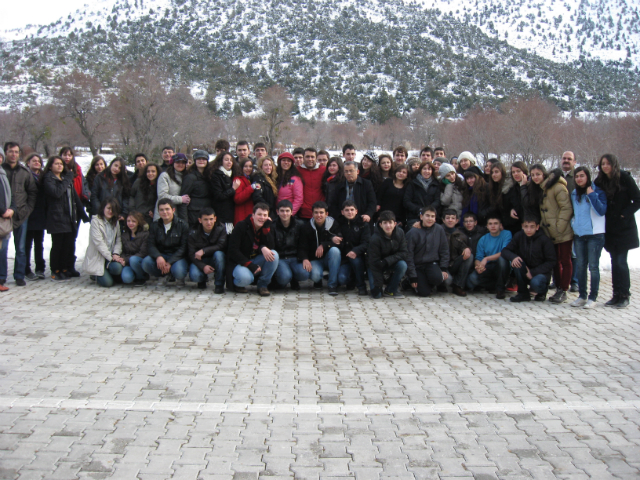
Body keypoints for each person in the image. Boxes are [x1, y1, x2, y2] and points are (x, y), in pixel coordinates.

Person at [521, 165, 573, 304]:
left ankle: (563, 289)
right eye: (533, 174)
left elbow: (566, 207)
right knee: (555, 261)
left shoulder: (557, 187)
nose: (535, 177)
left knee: (565, 261)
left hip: (561, 232)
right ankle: (558, 287)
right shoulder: (542, 188)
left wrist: (559, 226)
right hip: (550, 233)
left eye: (538, 174)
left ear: (544, 174)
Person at [594, 154, 640, 309]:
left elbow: (637, 199)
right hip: (610, 227)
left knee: (621, 261)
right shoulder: (600, 181)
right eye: (603, 164)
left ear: (614, 164)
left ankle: (624, 295)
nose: (605, 166)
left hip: (624, 227)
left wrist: (624, 214)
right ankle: (616, 294)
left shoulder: (624, 178)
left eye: (608, 164)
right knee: (615, 261)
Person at [42, 155, 86, 281]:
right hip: (56, 217)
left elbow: (75, 198)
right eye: (56, 164)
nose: (60, 166)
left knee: (67, 244)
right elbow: (56, 193)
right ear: (50, 166)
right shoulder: (49, 179)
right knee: (58, 245)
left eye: (61, 164)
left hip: (69, 217)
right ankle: (55, 270)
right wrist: (67, 179)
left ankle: (64, 268)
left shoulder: (65, 179)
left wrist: (83, 214)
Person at [570, 166, 607, 308]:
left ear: (588, 177)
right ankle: (582, 295)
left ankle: (593, 297)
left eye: (582, 176)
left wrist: (592, 195)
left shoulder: (597, 191)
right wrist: (573, 224)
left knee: (593, 267)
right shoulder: (574, 193)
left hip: (594, 235)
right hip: (579, 234)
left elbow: (601, 211)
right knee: (580, 266)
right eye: (577, 176)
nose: (579, 179)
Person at [2, 142, 37, 286]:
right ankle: (2, 275)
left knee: (21, 248)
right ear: (5, 153)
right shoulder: (1, 170)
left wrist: (27, 210)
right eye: (11, 151)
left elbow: (32, 192)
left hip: (21, 215)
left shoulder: (24, 172)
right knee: (2, 248)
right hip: (2, 217)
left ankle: (19, 275)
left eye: (16, 152)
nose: (14, 154)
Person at [227, 202, 279, 296]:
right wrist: (249, 265)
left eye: (265, 215)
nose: (262, 218)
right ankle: (237, 284)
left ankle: (262, 285)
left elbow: (271, 246)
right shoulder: (241, 226)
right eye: (259, 214)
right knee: (246, 279)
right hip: (241, 262)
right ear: (253, 215)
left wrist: (266, 230)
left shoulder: (267, 226)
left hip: (256, 259)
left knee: (274, 254)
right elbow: (232, 250)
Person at [501, 217, 556, 302]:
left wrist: (533, 272)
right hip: (524, 269)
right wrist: (513, 257)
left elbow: (551, 261)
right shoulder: (519, 236)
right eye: (526, 226)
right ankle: (523, 294)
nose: (528, 229)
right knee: (517, 262)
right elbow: (505, 251)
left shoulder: (544, 240)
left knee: (536, 283)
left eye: (532, 226)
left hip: (541, 273)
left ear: (537, 227)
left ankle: (542, 293)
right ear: (522, 226)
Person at [143, 198, 190, 283]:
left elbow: (184, 247)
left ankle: (175, 275)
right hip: (162, 255)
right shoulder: (154, 226)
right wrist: (158, 256)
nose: (164, 212)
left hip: (177, 257)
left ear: (173, 210)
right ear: (158, 211)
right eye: (161, 210)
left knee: (179, 272)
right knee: (146, 262)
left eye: (167, 209)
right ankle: (163, 275)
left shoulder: (183, 225)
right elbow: (151, 244)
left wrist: (170, 262)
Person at [406, 206, 449, 297]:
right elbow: (408, 255)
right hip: (417, 266)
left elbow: (444, 250)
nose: (430, 219)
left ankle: (424, 283)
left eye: (432, 216)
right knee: (424, 293)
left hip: (431, 263)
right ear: (421, 217)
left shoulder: (439, 230)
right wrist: (413, 276)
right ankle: (408, 281)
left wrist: (443, 268)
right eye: (427, 216)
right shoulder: (413, 232)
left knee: (439, 278)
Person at [466, 215, 512, 299]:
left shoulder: (507, 234)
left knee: (502, 260)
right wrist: (478, 266)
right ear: (487, 226)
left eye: (496, 223)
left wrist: (486, 258)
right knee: (471, 279)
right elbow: (478, 257)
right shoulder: (483, 239)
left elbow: (504, 252)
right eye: (490, 224)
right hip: (489, 267)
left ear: (500, 225)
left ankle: (500, 289)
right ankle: (493, 285)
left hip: (501, 266)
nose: (493, 226)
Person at [300, 201, 341, 295]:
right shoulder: (306, 227)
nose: (319, 215)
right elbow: (302, 246)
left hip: (330, 258)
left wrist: (324, 245)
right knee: (315, 276)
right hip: (314, 259)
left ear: (327, 214)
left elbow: (340, 243)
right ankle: (318, 281)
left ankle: (332, 285)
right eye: (316, 212)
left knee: (335, 251)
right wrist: (305, 258)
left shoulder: (334, 225)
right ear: (312, 214)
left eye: (321, 212)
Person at [82, 198, 124, 288]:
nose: (110, 211)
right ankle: (96, 274)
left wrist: (116, 254)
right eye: (108, 208)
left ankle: (107, 272)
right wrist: (111, 257)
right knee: (108, 283)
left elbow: (118, 239)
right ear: (103, 208)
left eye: (113, 209)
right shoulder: (95, 221)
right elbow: (99, 243)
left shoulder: (115, 222)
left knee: (117, 268)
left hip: (110, 257)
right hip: (99, 257)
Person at [367, 210, 408, 299]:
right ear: (380, 224)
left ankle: (390, 290)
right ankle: (380, 286)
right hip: (375, 265)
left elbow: (404, 252)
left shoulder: (400, 233)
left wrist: (386, 261)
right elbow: (373, 262)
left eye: (390, 222)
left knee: (402, 265)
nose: (388, 226)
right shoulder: (375, 239)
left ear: (395, 224)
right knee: (377, 295)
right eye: (385, 223)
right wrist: (378, 285)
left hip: (389, 262)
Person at [334, 200, 371, 296]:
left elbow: (366, 243)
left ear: (356, 211)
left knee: (356, 261)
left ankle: (361, 286)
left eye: (352, 210)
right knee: (342, 279)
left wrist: (355, 251)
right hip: (344, 258)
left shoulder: (363, 224)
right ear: (342, 212)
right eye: (347, 210)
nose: (349, 212)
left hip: (359, 255)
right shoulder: (338, 223)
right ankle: (351, 280)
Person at [188, 207, 227, 292]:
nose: (209, 222)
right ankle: (202, 280)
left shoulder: (221, 228)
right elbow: (191, 254)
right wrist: (203, 266)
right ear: (200, 220)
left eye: (211, 219)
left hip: (215, 258)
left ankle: (219, 284)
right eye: (205, 219)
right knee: (195, 275)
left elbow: (221, 245)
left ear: (215, 219)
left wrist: (204, 250)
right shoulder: (193, 232)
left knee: (219, 255)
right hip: (200, 260)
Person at [272, 200, 309, 290]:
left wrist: (305, 258)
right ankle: (283, 278)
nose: (285, 213)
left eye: (287, 211)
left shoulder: (300, 225)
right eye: (282, 211)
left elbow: (303, 244)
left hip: (295, 257)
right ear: (277, 212)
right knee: (284, 278)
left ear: (292, 212)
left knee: (305, 274)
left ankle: (294, 279)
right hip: (280, 258)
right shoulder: (272, 226)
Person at [24, 153, 47, 281]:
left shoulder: (43, 177)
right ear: (28, 163)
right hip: (28, 213)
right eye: (34, 161)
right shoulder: (25, 175)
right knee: (27, 244)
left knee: (39, 243)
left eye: (38, 161)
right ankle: (26, 269)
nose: (37, 162)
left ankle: (40, 269)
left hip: (40, 214)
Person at [442, 209, 474, 297]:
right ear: (443, 220)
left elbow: (463, 247)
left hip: (454, 263)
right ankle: (440, 285)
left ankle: (458, 285)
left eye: (453, 218)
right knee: (448, 280)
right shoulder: (438, 231)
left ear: (457, 221)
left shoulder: (461, 235)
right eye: (447, 218)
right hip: (441, 265)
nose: (450, 220)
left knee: (469, 256)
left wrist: (467, 249)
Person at [207, 151, 240, 234]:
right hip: (221, 213)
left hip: (231, 213)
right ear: (221, 161)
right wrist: (233, 189)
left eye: (231, 160)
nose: (229, 162)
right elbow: (219, 195)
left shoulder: (233, 175)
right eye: (226, 160)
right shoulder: (216, 175)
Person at [180, 149, 212, 227]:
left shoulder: (210, 175)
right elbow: (184, 199)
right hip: (194, 215)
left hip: (208, 213)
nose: (201, 161)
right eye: (199, 159)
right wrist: (185, 222)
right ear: (195, 161)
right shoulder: (190, 177)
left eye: (204, 159)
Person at [404, 161, 440, 228]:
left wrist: (429, 210)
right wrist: (419, 210)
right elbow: (407, 201)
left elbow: (437, 200)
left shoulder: (436, 184)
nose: (427, 171)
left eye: (429, 169)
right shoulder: (412, 183)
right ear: (420, 170)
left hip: (431, 217)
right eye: (424, 169)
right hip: (415, 217)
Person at [155, 153, 189, 221]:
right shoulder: (165, 176)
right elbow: (162, 196)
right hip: (165, 215)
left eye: (183, 162)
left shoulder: (187, 176)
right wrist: (181, 199)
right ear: (172, 163)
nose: (181, 164)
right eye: (178, 162)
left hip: (181, 215)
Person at [119, 211, 149, 286]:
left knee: (133, 260)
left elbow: (143, 253)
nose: (130, 223)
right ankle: (133, 275)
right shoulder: (124, 235)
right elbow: (122, 250)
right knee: (127, 279)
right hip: (128, 263)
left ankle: (141, 278)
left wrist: (126, 259)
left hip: (138, 261)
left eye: (133, 221)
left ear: (138, 222)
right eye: (128, 221)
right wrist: (122, 259)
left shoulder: (145, 234)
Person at [376, 164, 408, 228]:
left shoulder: (407, 187)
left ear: (407, 175)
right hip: (383, 216)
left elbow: (405, 205)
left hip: (398, 219)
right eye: (399, 171)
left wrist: (403, 221)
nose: (401, 173)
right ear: (395, 172)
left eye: (404, 172)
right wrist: (378, 215)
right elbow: (379, 196)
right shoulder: (388, 182)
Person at [298, 148, 326, 220]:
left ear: (316, 158)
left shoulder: (323, 170)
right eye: (307, 156)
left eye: (312, 157)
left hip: (320, 213)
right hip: (303, 213)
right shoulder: (298, 170)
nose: (310, 159)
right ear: (303, 157)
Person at [0, 147, 14, 291]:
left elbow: (9, 195)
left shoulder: (3, 174)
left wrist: (12, 209)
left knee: (3, 250)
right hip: (2, 215)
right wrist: (3, 211)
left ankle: (1, 278)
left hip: (5, 218)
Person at [275, 152, 303, 217]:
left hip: (288, 214)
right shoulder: (275, 177)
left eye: (289, 161)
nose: (286, 162)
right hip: (276, 212)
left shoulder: (295, 179)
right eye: (284, 160)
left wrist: (289, 214)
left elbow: (298, 200)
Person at [233, 158, 257, 225]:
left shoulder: (250, 178)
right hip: (242, 214)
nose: (248, 169)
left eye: (250, 166)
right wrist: (251, 188)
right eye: (245, 166)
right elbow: (237, 198)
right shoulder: (238, 180)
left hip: (249, 212)